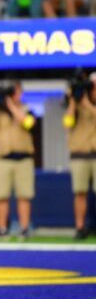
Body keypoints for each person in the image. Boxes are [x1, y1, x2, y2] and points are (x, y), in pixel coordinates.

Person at [0, 81, 36, 239]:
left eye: (15, 91)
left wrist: (10, 105)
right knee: (1, 196)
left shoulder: (26, 109)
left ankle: (24, 229)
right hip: (2, 159)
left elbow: (28, 123)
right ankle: (2, 229)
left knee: (24, 195)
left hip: (23, 158)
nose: (14, 95)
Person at [62, 72, 96, 240]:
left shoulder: (90, 105)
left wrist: (87, 103)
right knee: (79, 192)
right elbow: (67, 123)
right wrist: (75, 102)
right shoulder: (75, 103)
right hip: (79, 154)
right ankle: (80, 227)